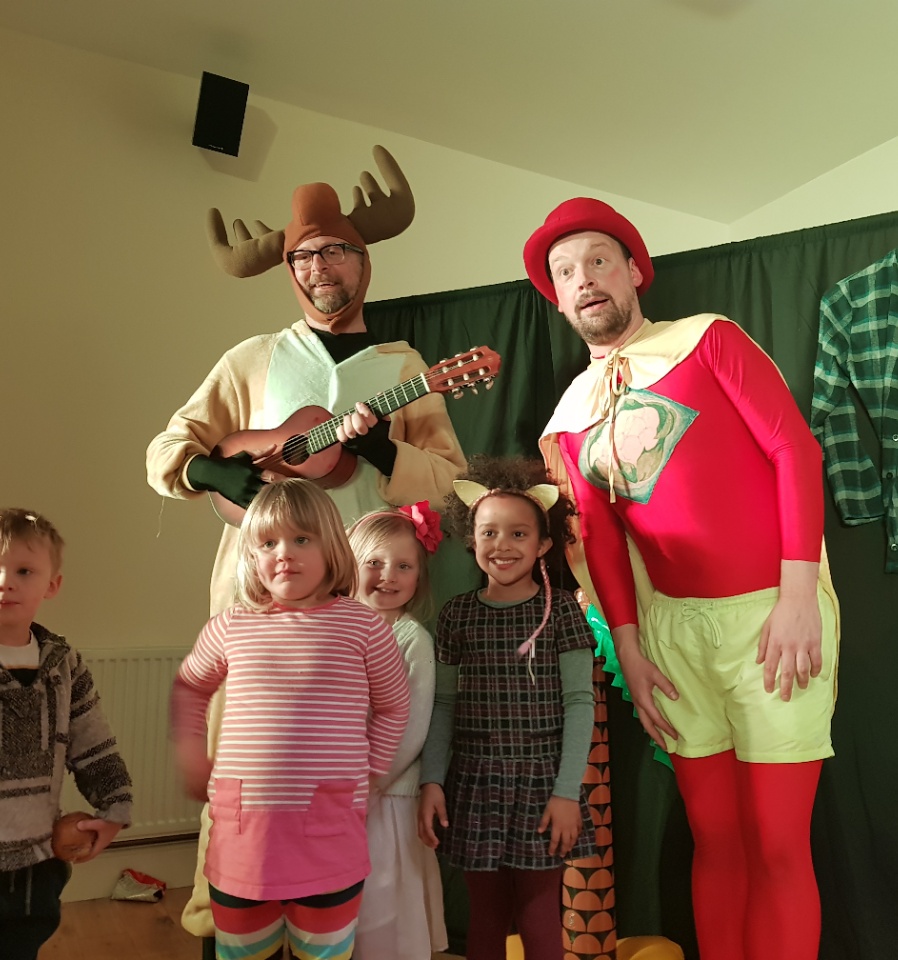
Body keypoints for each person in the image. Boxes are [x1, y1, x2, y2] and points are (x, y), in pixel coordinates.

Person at [146, 148, 465, 944]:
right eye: (304, 256)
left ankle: (334, 920)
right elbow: (166, 449)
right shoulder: (250, 358)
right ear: (289, 269)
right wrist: (209, 468)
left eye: (335, 251)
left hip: (359, 607)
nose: (320, 267)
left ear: (364, 260)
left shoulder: (403, 367)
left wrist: (384, 450)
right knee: (240, 765)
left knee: (341, 770)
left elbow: (450, 480)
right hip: (255, 599)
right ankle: (223, 915)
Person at [529, 199, 841, 960]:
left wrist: (799, 596)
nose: (584, 279)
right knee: (716, 839)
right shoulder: (569, 417)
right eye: (565, 272)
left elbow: (794, 451)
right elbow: (600, 538)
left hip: (771, 617)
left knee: (777, 843)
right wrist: (631, 650)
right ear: (558, 298)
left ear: (634, 272)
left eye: (598, 260)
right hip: (672, 637)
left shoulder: (709, 340)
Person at [171, 479, 411, 960]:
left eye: (301, 538)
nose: (284, 553)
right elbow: (190, 687)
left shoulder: (365, 627)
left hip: (328, 842)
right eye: (268, 543)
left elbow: (393, 705)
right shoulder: (231, 625)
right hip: (243, 843)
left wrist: (372, 768)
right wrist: (191, 755)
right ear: (251, 555)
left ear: (332, 546)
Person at [0, 509, 132, 959]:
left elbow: (93, 741)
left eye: (24, 571)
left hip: (38, 868)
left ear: (51, 585)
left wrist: (115, 807)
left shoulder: (63, 664)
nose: (5, 582)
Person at [417, 457, 597, 960]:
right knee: (487, 914)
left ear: (543, 544)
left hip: (544, 784)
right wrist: (432, 781)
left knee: (539, 916)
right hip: (474, 784)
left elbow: (579, 703)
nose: (503, 545)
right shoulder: (456, 616)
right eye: (490, 532)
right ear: (471, 539)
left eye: (519, 533)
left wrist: (567, 792)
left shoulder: (562, 612)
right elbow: (443, 705)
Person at [346, 503, 448, 960]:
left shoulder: (412, 640)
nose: (388, 576)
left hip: (386, 797)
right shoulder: (336, 631)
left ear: (418, 576)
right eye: (374, 562)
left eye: (403, 566)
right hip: (337, 795)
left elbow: (411, 729)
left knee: (384, 910)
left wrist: (368, 784)